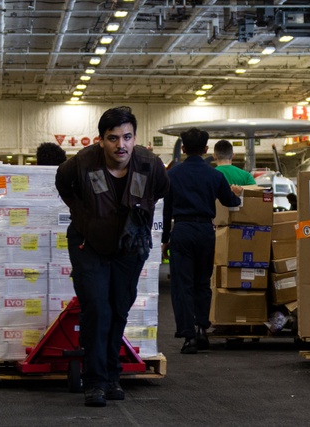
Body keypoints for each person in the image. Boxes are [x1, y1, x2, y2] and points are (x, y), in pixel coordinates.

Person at [55, 106, 169, 408]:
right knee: (96, 309)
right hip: (88, 244)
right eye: (113, 138)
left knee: (119, 309)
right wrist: (83, 215)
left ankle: (111, 375)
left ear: (135, 137)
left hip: (129, 246)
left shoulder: (150, 164)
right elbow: (62, 184)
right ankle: (95, 381)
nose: (122, 145)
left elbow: (160, 191)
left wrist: (136, 218)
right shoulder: (80, 164)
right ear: (101, 140)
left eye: (127, 137)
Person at [163, 129, 241, 355]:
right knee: (202, 283)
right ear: (207, 150)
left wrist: (165, 239)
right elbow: (230, 201)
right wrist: (236, 193)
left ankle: (188, 337)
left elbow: (166, 211)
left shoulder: (173, 175)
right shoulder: (215, 175)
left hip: (183, 229)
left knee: (182, 285)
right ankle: (201, 329)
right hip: (206, 231)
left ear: (184, 149)